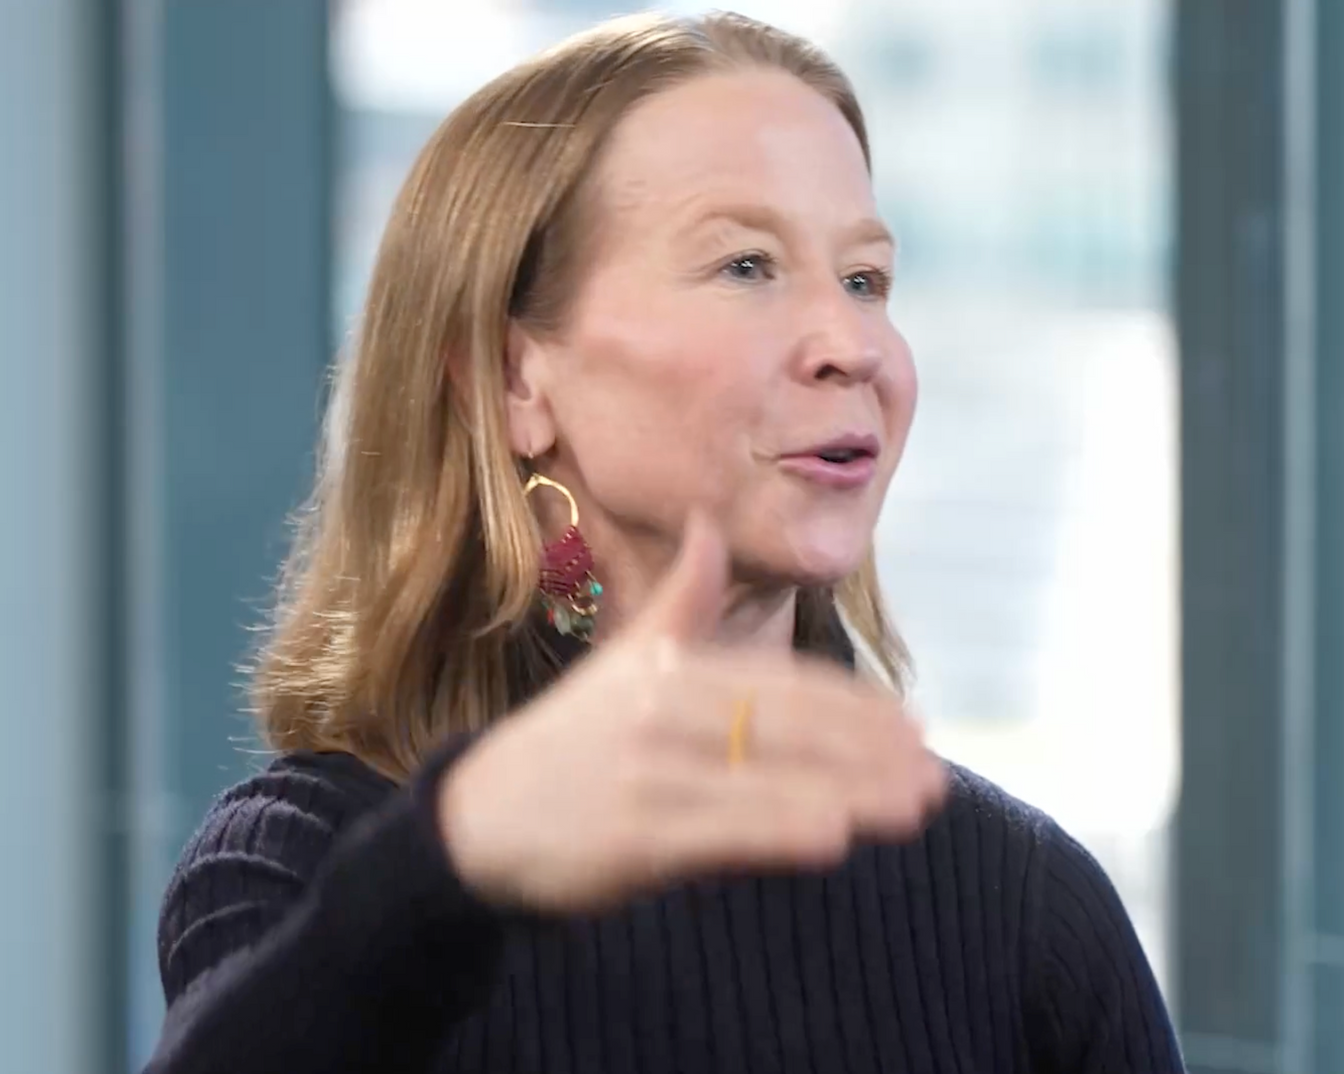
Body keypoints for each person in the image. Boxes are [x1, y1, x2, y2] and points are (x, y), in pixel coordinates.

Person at [145, 11, 1183, 1074]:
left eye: (866, 279)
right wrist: (448, 873)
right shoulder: (307, 869)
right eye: (745, 266)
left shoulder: (1017, 901)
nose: (854, 346)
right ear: (513, 381)